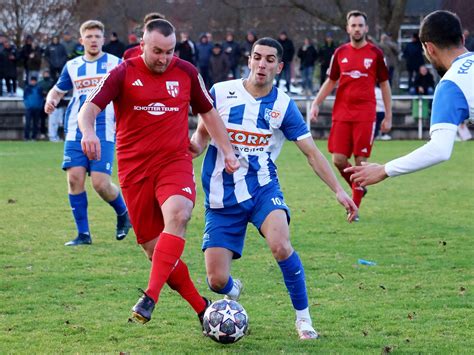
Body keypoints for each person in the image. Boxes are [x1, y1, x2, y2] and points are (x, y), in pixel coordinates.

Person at [190, 37, 357, 340]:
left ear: (279, 67)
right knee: (216, 281)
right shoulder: (221, 93)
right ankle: (233, 289)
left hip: (263, 189)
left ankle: (304, 320)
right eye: (257, 57)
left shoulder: (283, 105)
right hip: (221, 197)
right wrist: (183, 150)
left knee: (281, 245)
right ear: (249, 60)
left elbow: (311, 153)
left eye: (269, 60)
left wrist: (338, 190)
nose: (262, 64)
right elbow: (201, 138)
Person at [77, 19, 239, 326]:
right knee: (157, 253)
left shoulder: (187, 72)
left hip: (173, 162)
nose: (164, 58)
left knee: (179, 214)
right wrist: (88, 131)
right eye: (157, 52)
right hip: (134, 171)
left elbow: (208, 112)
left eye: (169, 51)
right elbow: (90, 107)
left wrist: (227, 150)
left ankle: (150, 296)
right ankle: (203, 308)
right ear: (142, 46)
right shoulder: (123, 72)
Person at [345, 11, 473, 186]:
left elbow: (439, 149)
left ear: (429, 48)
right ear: (462, 39)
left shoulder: (451, 86)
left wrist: (384, 170)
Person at [44, 20, 130, 246]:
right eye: (89, 37)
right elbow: (57, 90)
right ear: (81, 41)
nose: (93, 40)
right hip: (75, 129)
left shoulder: (116, 64)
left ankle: (123, 213)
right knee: (74, 179)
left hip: (104, 129)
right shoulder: (72, 66)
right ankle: (83, 235)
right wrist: (51, 100)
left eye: (97, 36)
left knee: (101, 183)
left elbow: (129, 92)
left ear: (103, 40)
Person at [310, 10, 392, 220]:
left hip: (365, 114)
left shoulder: (375, 53)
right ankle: (359, 187)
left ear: (366, 28)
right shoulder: (340, 53)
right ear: (348, 28)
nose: (356, 29)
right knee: (338, 160)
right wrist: (316, 103)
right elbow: (331, 81)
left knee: (361, 162)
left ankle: (353, 207)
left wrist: (388, 115)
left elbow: (384, 84)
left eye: (360, 25)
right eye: (353, 25)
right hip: (342, 113)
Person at [23, 76, 43, 140]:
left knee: (36, 124)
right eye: (32, 81)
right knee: (27, 123)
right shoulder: (27, 88)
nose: (33, 82)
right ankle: (26, 137)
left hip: (37, 108)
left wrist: (39, 106)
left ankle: (34, 137)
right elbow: (25, 98)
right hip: (29, 109)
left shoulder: (39, 88)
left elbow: (41, 98)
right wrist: (27, 105)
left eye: (34, 81)